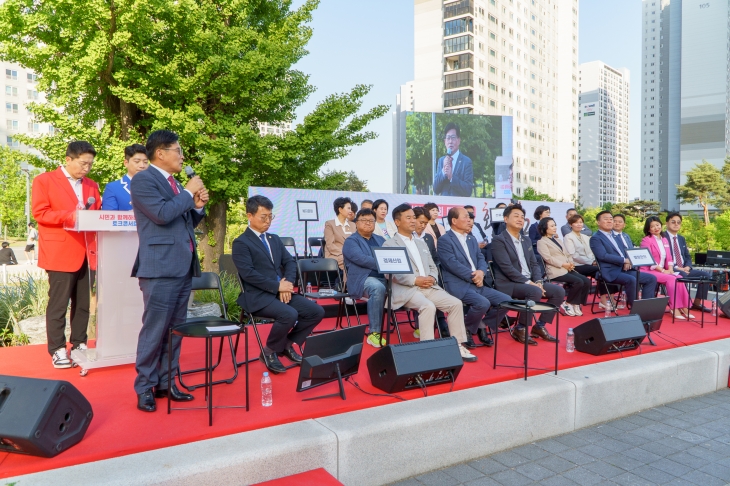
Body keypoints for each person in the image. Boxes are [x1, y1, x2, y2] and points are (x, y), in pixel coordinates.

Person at [130, 130, 208, 412]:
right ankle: (145, 387)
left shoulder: (175, 184)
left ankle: (167, 382)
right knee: (155, 331)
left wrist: (196, 208)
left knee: (174, 331)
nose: (182, 156)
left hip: (181, 266)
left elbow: (182, 221)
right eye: (177, 150)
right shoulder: (143, 180)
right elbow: (161, 215)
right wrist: (188, 193)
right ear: (160, 153)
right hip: (159, 267)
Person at [232, 195, 324, 375]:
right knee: (289, 314)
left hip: (280, 291)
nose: (268, 221)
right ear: (249, 216)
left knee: (316, 311)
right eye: (263, 217)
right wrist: (277, 286)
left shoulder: (274, 239)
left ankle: (288, 345)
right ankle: (269, 352)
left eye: (270, 217)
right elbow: (248, 274)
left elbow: (290, 262)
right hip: (258, 296)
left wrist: (287, 284)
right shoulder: (241, 243)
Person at [31, 141, 102, 369]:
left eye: (90, 164)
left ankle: (79, 344)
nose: (87, 169)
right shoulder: (44, 180)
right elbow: (40, 213)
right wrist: (70, 215)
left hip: (87, 252)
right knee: (59, 304)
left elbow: (98, 213)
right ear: (69, 159)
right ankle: (58, 350)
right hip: (60, 251)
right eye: (83, 163)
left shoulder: (92, 185)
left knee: (83, 304)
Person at [383, 203, 477, 363]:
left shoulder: (421, 243)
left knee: (455, 303)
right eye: (408, 218)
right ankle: (427, 350)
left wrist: (432, 278)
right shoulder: (389, 245)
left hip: (429, 286)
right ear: (397, 222)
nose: (413, 221)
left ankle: (458, 345)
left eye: (414, 217)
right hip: (408, 289)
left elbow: (433, 265)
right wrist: (415, 279)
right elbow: (390, 274)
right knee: (428, 306)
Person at [491, 204, 564, 345]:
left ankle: (540, 326)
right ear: (505, 219)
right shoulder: (499, 240)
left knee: (559, 291)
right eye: (516, 216)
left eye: (522, 217)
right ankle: (521, 328)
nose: (520, 219)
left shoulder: (526, 240)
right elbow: (507, 268)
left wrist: (538, 281)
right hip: (509, 283)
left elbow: (534, 264)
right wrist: (531, 283)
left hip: (530, 282)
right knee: (534, 291)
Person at [438, 207, 511, 347]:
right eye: (465, 217)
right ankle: (467, 329)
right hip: (459, 284)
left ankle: (478, 325)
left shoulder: (471, 239)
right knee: (483, 303)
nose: (469, 220)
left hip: (477, 282)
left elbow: (480, 258)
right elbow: (451, 264)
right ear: (454, 221)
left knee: (506, 301)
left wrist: (481, 273)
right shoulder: (445, 240)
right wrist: (474, 276)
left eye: (470, 217)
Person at [589, 211, 657, 309]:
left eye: (610, 219)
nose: (609, 221)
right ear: (598, 222)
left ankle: (647, 307)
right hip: (611, 271)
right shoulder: (596, 238)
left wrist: (628, 260)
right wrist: (624, 260)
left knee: (651, 278)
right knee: (631, 280)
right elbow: (603, 256)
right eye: (605, 219)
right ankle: (636, 308)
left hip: (625, 269)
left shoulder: (616, 236)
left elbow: (626, 251)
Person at [342, 208, 388, 348]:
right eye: (364, 220)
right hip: (363, 280)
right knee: (377, 288)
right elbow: (362, 259)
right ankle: (374, 333)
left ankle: (419, 327)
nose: (368, 223)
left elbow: (390, 256)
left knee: (412, 284)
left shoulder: (381, 239)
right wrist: (385, 264)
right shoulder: (351, 241)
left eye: (371, 221)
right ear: (356, 223)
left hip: (386, 277)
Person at [536, 217, 592, 317]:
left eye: (555, 225)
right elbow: (548, 258)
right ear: (545, 228)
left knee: (586, 281)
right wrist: (563, 264)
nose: (555, 227)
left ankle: (576, 303)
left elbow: (567, 254)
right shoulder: (542, 242)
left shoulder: (557, 240)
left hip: (567, 268)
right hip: (555, 270)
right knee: (578, 281)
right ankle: (568, 303)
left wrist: (570, 263)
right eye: (552, 226)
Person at [640, 216, 693, 319]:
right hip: (649, 270)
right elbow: (650, 260)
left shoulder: (664, 240)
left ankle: (685, 306)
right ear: (648, 229)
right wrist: (664, 271)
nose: (656, 228)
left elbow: (669, 258)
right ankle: (674, 308)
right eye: (652, 226)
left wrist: (670, 269)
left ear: (661, 225)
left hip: (663, 271)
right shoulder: (646, 240)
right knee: (671, 279)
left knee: (678, 278)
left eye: (657, 225)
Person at [413, 206, 450, 337]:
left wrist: (433, 275)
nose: (423, 225)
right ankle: (425, 324)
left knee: (439, 284)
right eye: (421, 222)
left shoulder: (427, 237)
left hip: (430, 276)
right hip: (414, 279)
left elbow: (435, 259)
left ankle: (441, 321)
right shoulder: (404, 237)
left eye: (425, 223)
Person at [665, 212, 713, 312]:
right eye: (673, 222)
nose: (676, 224)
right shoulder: (662, 237)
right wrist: (677, 268)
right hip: (670, 268)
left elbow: (687, 256)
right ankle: (681, 304)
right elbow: (663, 257)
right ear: (667, 223)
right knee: (682, 274)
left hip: (684, 268)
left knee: (706, 276)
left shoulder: (681, 238)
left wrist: (688, 266)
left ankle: (697, 303)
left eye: (678, 222)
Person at [563, 214, 611, 309]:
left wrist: (593, 260)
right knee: (601, 270)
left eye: (581, 222)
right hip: (576, 265)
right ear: (570, 225)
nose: (579, 224)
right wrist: (590, 262)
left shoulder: (586, 236)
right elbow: (573, 255)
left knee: (604, 271)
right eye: (576, 223)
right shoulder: (568, 237)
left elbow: (592, 252)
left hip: (590, 264)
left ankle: (603, 299)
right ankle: (580, 302)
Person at [101, 144, 149, 210]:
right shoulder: (113, 188)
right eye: (137, 162)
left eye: (145, 162)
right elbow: (109, 217)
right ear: (126, 163)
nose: (142, 165)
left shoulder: (155, 186)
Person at [433, 122, 474, 197]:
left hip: (459, 207)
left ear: (459, 141)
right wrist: (443, 171)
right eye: (448, 138)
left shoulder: (466, 162)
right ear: (445, 142)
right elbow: (435, 189)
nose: (450, 141)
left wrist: (452, 177)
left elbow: (468, 190)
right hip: (444, 206)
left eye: (453, 138)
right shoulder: (441, 161)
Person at [323, 196, 353, 271]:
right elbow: (330, 244)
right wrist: (345, 253)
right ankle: (346, 282)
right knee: (349, 261)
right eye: (348, 208)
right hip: (335, 254)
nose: (351, 211)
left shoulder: (353, 225)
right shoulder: (330, 224)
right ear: (340, 209)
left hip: (351, 254)